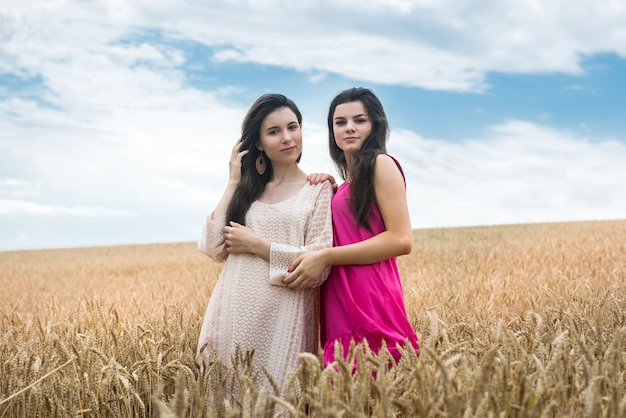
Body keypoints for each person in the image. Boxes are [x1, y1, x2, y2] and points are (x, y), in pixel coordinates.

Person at [196, 93, 334, 391]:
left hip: (285, 322)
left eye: (292, 127)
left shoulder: (319, 189)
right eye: (274, 131)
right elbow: (212, 246)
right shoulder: (248, 191)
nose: (287, 137)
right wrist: (233, 180)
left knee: (281, 401)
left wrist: (259, 246)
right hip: (232, 317)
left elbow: (319, 264)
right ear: (258, 142)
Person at [284, 87, 419, 368]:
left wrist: (326, 256)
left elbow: (401, 239)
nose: (349, 128)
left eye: (359, 120)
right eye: (340, 122)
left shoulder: (381, 164)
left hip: (370, 295)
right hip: (340, 301)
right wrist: (328, 190)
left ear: (375, 124)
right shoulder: (347, 185)